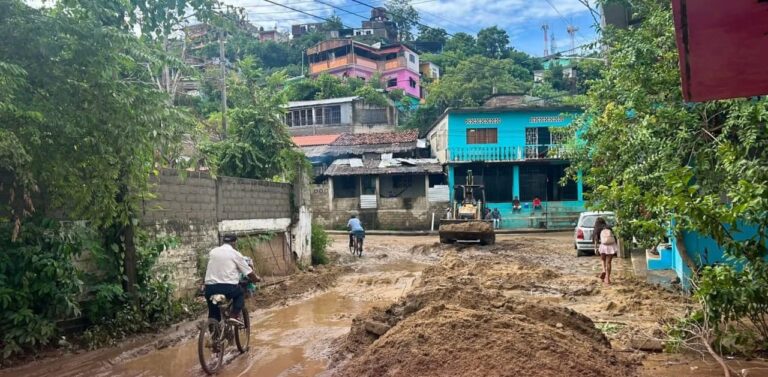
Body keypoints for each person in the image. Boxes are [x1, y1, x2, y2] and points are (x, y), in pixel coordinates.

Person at [204, 234, 262, 325]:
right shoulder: (235, 254)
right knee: (240, 293)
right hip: (227, 288)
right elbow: (249, 272)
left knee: (213, 313)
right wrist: (256, 279)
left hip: (209, 288)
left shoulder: (213, 251)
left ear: (223, 242)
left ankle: (214, 333)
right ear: (234, 242)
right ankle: (234, 315)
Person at [593, 217, 618, 284]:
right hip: (611, 246)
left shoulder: (597, 229)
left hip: (603, 246)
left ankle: (604, 270)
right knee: (609, 262)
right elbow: (614, 237)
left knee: (603, 260)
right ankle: (608, 278)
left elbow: (596, 239)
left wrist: (595, 248)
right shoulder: (609, 227)